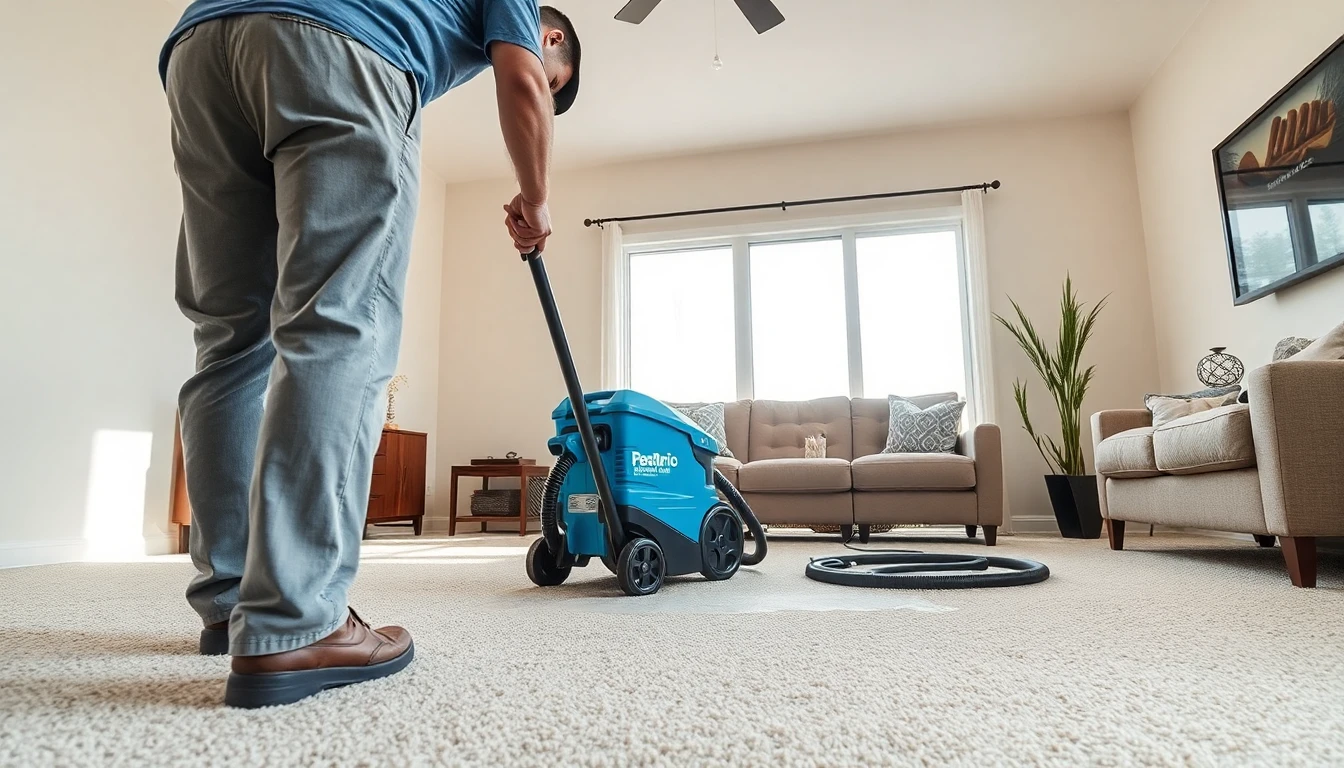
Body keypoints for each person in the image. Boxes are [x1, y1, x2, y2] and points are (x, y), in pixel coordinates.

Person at [160, 0, 579, 708]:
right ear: (553, 36)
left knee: (228, 345)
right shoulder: (525, 19)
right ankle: (296, 618)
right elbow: (523, 82)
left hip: (202, 48)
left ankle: (233, 606)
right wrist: (536, 199)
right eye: (552, 66)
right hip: (338, 53)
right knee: (336, 327)